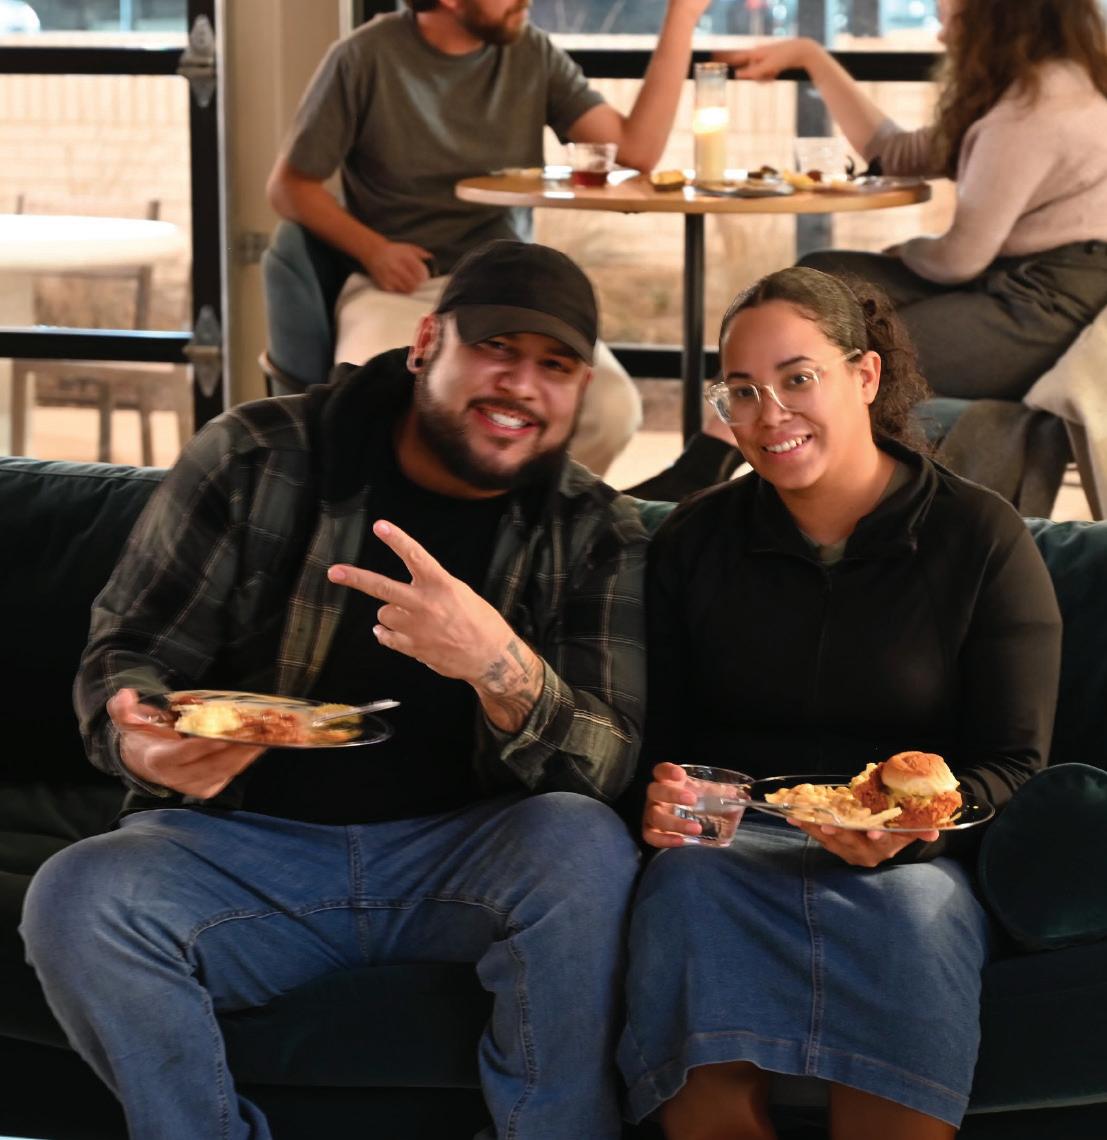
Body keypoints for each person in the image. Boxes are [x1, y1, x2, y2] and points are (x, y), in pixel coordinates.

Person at [21, 240, 648, 1140]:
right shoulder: (254, 456)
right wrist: (142, 741)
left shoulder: (593, 529)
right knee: (77, 896)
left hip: (464, 854)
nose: (520, 384)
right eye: (495, 348)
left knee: (581, 843)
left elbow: (606, 761)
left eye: (555, 366)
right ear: (426, 342)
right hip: (243, 848)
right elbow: (133, 651)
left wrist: (495, 662)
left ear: (581, 389)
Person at [617, 266, 1063, 1139]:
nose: (768, 415)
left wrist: (917, 826)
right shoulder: (693, 539)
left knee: (914, 918)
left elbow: (1015, 764)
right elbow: (652, 739)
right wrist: (656, 794)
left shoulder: (978, 536)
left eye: (797, 378)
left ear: (864, 375)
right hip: (727, 851)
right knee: (683, 894)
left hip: (913, 866)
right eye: (741, 392)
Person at [266, 0, 713, 476]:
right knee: (366, 411)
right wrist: (374, 250)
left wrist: (681, 18)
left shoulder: (531, 51)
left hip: (508, 291)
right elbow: (289, 187)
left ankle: (520, 517)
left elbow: (636, 152)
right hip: (399, 289)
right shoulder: (363, 57)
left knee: (610, 410)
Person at [717, 0, 1107, 401]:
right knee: (818, 280)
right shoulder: (1044, 88)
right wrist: (811, 57)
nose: (942, 36)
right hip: (1013, 277)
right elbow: (896, 154)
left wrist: (906, 250)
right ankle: (735, 428)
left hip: (1044, 303)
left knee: (863, 352)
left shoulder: (1029, 115)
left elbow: (957, 261)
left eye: (950, 20)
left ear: (995, 21)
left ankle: (723, 434)